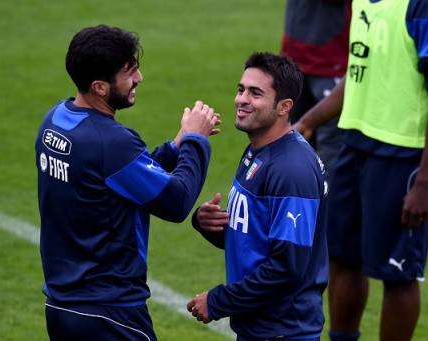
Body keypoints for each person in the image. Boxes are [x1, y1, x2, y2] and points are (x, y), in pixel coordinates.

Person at [35, 25, 220, 341]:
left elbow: (119, 178)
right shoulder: (112, 142)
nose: (139, 79)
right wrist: (194, 141)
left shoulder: (55, 121)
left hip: (63, 310)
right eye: (129, 72)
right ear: (100, 87)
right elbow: (176, 201)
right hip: (111, 315)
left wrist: (175, 148)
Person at [294, 0, 428, 340]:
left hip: (402, 158)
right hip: (355, 147)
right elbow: (356, 76)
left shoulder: (418, 6)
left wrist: (424, 182)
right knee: (341, 258)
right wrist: (308, 122)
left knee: (397, 274)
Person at [187, 53, 328, 341]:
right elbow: (257, 240)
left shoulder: (292, 171)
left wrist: (217, 301)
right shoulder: (259, 149)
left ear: (284, 107)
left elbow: (287, 268)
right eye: (241, 90)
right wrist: (205, 223)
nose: (241, 99)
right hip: (261, 327)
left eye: (255, 93)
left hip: (283, 331)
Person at [281, 0, 350, 176]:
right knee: (289, 150)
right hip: (294, 61)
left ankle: (329, 203)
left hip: (333, 64)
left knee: (331, 159)